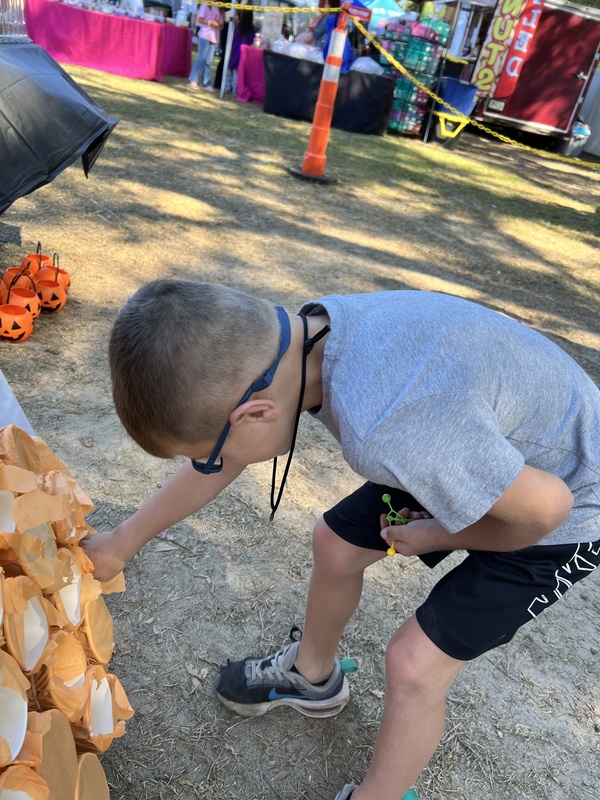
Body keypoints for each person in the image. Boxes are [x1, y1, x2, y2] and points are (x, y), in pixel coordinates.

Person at [83, 280, 600, 800]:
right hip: (477, 445)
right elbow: (236, 451)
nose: (211, 466)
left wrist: (439, 531)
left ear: (256, 413)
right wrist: (122, 542)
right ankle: (314, 677)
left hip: (569, 505)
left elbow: (545, 510)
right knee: (336, 544)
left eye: (207, 456)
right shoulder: (306, 335)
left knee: (414, 663)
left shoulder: (388, 422)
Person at [187, 1, 223, 92]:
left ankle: (207, 83)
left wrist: (219, 24)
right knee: (201, 58)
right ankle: (193, 80)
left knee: (208, 61)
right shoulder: (205, 4)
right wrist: (210, 23)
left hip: (214, 37)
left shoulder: (218, 6)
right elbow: (200, 19)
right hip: (205, 35)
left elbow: (221, 23)